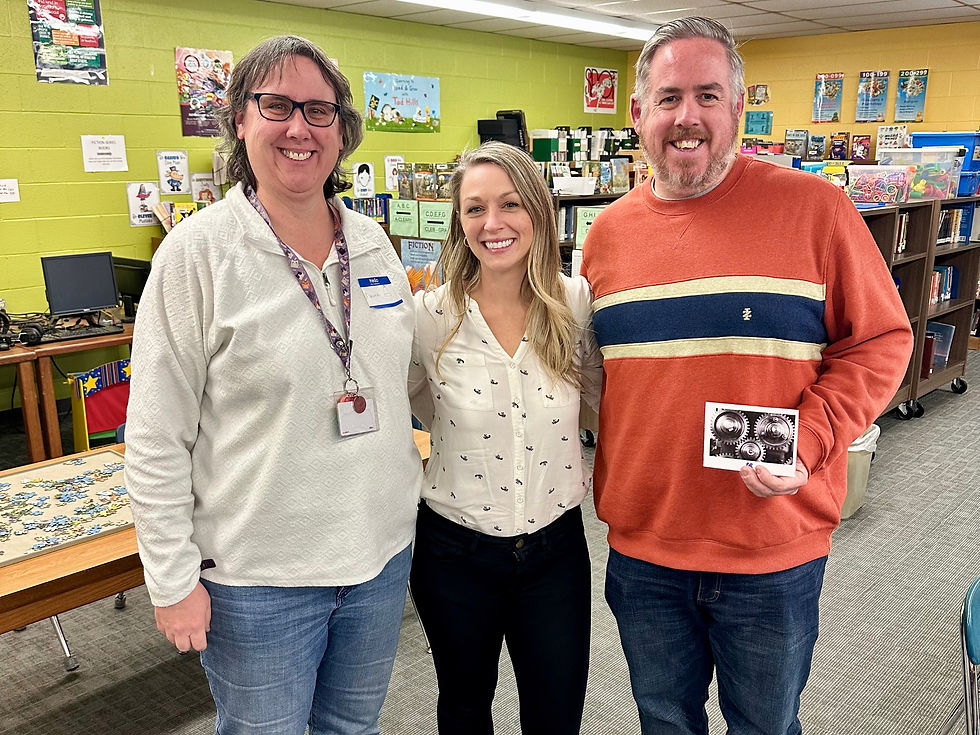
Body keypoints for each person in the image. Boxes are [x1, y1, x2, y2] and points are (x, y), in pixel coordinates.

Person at [581, 16, 914, 735]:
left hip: (770, 548)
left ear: (737, 108)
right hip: (644, 550)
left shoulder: (815, 210)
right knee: (663, 722)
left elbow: (882, 340)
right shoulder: (605, 235)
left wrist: (810, 439)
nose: (687, 117)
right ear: (637, 113)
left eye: (708, 95)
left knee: (765, 725)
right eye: (669, 97)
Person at [124, 35, 421, 735]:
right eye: (277, 105)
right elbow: (156, 435)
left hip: (378, 562)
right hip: (258, 581)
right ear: (240, 119)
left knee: (352, 729)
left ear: (342, 131)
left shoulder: (372, 243)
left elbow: (404, 379)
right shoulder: (196, 255)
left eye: (319, 110)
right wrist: (171, 579)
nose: (299, 128)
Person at [408, 141, 602, 735]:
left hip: (554, 550)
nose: (492, 223)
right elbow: (412, 405)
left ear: (539, 212)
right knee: (464, 709)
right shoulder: (429, 316)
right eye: (475, 208)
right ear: (458, 220)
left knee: (556, 715)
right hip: (454, 551)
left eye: (510, 204)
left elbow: (604, 401)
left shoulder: (573, 303)